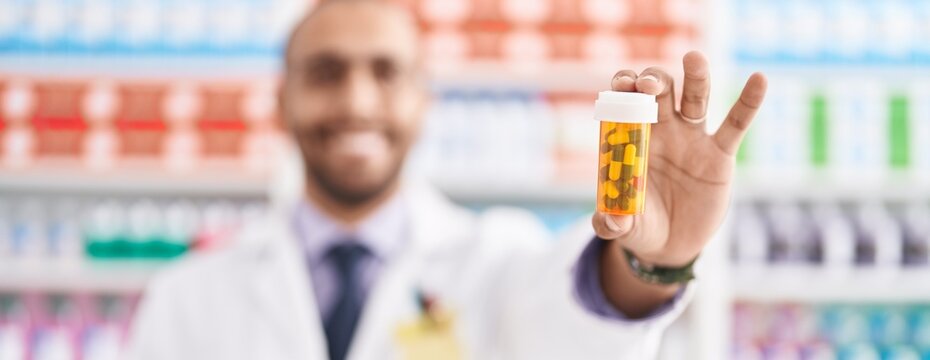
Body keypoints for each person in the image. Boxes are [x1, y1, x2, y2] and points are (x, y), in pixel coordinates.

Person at [125, 0, 767, 359]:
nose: (356, 101)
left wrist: (651, 260)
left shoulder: (497, 259)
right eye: (325, 72)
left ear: (424, 99)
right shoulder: (188, 298)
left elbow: (577, 325)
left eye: (385, 72)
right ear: (280, 100)